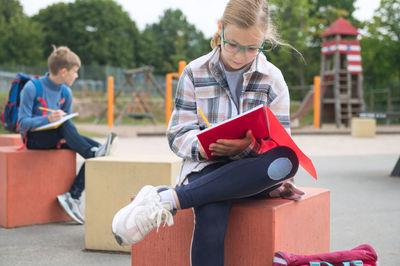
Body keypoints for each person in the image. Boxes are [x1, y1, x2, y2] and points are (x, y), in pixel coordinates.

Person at [112, 0, 305, 265]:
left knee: (286, 161)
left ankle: (168, 199)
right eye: (232, 44)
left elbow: (280, 142)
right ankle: (175, 197)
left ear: (263, 43)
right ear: (221, 30)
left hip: (253, 174)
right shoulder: (194, 72)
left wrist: (245, 149)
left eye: (251, 49)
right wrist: (203, 146)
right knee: (212, 211)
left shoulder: (273, 78)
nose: (239, 55)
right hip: (206, 167)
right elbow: (177, 133)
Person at [18, 46, 117, 225]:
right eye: (75, 72)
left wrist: (59, 124)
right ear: (63, 72)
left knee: (100, 149)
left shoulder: (66, 92)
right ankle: (92, 154)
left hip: (57, 137)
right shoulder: (32, 87)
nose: (76, 76)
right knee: (93, 150)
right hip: (34, 140)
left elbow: (67, 126)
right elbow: (22, 123)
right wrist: (47, 118)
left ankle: (73, 196)